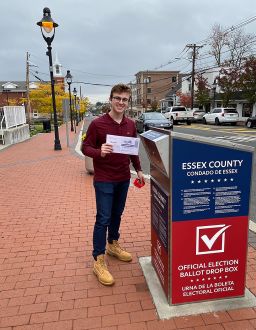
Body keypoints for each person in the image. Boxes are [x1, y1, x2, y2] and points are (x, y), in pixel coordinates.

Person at [82, 84, 144, 286]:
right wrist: (99, 151)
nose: (120, 102)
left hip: (123, 178)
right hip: (104, 179)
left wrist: (139, 169)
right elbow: (86, 147)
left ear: (128, 102)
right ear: (111, 99)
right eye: (117, 98)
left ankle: (113, 244)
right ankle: (98, 259)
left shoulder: (130, 125)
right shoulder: (98, 124)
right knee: (103, 218)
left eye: (124, 99)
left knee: (117, 213)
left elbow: (133, 150)